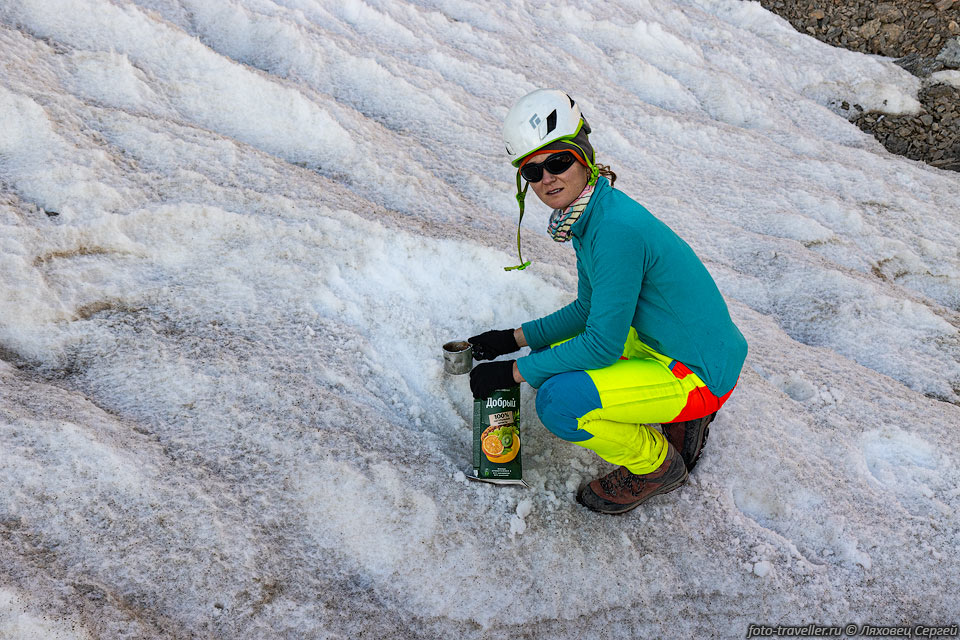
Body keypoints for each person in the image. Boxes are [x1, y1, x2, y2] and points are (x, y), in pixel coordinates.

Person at [468, 89, 748, 515]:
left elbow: (601, 344)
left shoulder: (614, 230)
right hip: (676, 345)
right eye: (532, 171)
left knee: (559, 400)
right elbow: (587, 311)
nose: (547, 179)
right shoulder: (592, 214)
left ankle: (656, 466)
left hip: (698, 371)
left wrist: (510, 372)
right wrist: (512, 338)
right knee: (549, 356)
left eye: (557, 161)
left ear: (583, 156)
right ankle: (677, 417)